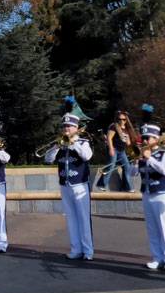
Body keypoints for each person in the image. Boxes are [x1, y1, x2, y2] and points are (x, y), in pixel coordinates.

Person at [45, 113, 94, 260]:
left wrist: (73, 143)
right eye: (64, 126)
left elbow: (87, 156)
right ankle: (75, 248)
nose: (66, 129)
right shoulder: (59, 142)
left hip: (79, 184)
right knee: (71, 218)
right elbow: (48, 158)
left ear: (76, 128)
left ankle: (88, 251)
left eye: (69, 126)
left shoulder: (83, 142)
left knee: (83, 219)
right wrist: (56, 147)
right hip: (65, 184)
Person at [131, 124, 165, 271]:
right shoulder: (142, 156)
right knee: (152, 229)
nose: (144, 141)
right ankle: (157, 257)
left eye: (147, 138)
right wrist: (135, 161)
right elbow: (132, 174)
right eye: (143, 138)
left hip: (161, 194)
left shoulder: (164, 154)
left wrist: (150, 159)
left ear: (156, 138)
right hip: (147, 194)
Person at [96, 111, 136, 192]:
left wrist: (133, 151)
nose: (122, 121)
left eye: (124, 119)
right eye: (119, 119)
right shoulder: (114, 126)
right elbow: (109, 138)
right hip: (114, 148)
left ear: (126, 120)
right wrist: (111, 149)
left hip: (122, 150)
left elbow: (128, 142)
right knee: (111, 166)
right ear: (117, 119)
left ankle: (127, 187)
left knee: (127, 167)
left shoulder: (127, 129)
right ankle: (101, 185)